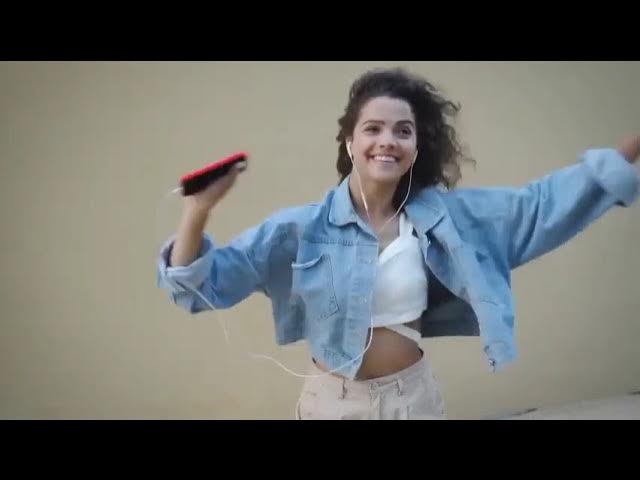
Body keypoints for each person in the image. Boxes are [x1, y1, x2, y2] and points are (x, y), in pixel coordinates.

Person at [157, 68, 640, 420]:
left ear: (415, 148)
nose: (388, 140)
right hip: (331, 405)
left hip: (413, 400)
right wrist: (199, 210)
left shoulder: (451, 221)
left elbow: (540, 206)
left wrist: (627, 152)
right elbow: (197, 287)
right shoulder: (300, 228)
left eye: (403, 131)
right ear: (350, 144)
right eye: (373, 128)